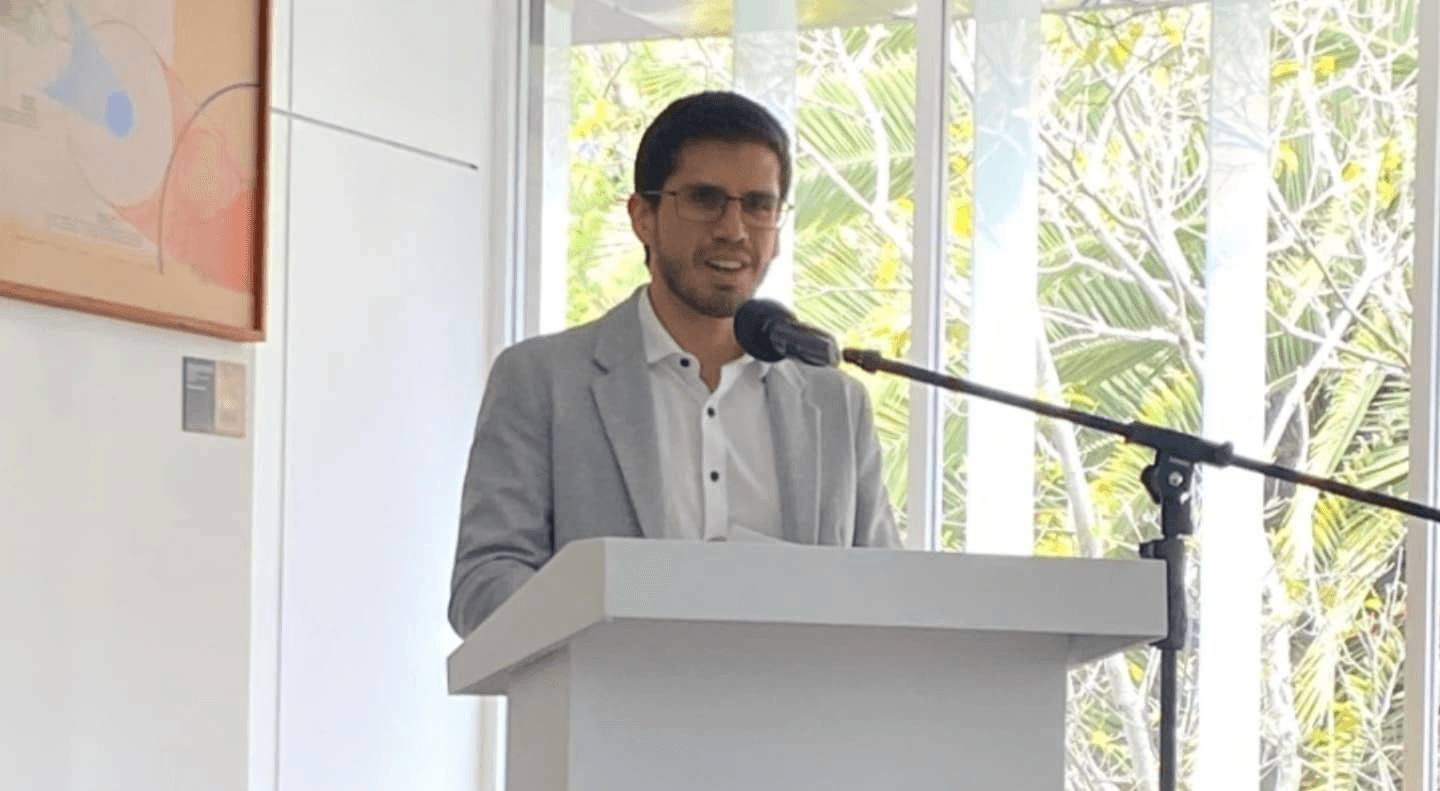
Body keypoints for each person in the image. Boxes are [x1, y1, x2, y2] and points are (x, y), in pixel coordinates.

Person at [447, 90, 900, 638]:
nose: (734, 229)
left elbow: (885, 596)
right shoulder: (543, 380)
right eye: (706, 199)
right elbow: (483, 583)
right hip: (610, 715)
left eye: (758, 205)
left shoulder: (835, 402)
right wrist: (626, 620)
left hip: (799, 717)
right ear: (643, 216)